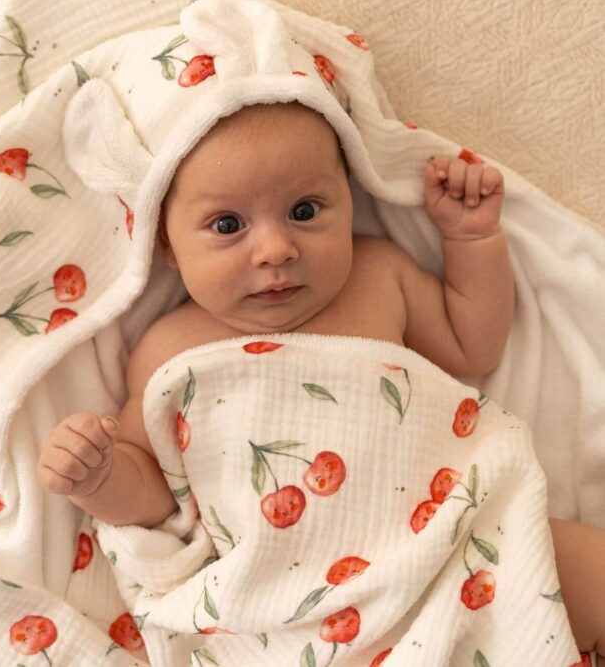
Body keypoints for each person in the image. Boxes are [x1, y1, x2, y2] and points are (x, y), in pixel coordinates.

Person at [37, 102, 603, 662]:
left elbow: (472, 344)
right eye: (228, 225)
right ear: (166, 244)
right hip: (303, 606)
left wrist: (470, 239)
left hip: (456, 537)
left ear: (349, 202)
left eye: (304, 211)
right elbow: (156, 494)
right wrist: (99, 476)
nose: (275, 250)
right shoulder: (169, 350)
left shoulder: (377, 277)